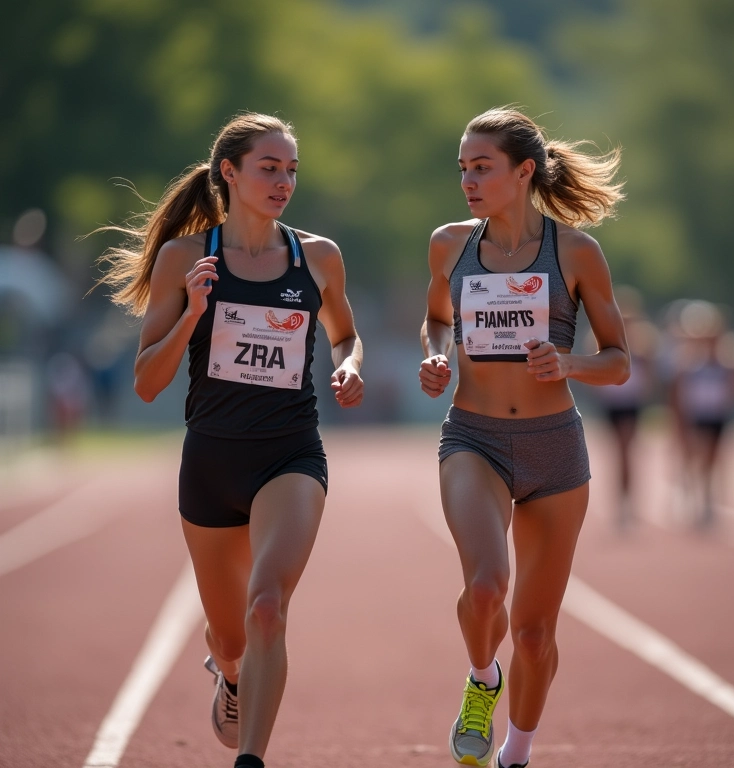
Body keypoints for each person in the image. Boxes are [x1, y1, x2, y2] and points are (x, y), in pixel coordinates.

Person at [95, 112, 364, 768]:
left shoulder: (317, 256)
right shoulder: (185, 259)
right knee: (229, 632)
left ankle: (251, 761)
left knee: (266, 607)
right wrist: (191, 311)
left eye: (292, 170)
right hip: (211, 462)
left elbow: (345, 335)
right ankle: (233, 673)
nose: (283, 182)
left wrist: (350, 364)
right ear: (230, 173)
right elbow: (146, 383)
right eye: (269, 168)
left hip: (291, 453)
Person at [418, 105, 629, 768]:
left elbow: (620, 359)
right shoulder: (450, 245)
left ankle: (517, 753)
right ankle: (483, 680)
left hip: (554, 450)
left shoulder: (575, 251)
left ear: (523, 171)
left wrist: (569, 362)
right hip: (473, 439)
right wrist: (436, 354)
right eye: (463, 168)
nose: (468, 180)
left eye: (482, 167)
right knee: (486, 588)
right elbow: (434, 320)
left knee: (536, 634)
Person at [668, 300, 734, 527]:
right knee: (698, 457)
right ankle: (697, 499)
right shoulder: (689, 362)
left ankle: (707, 500)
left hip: (718, 416)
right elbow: (676, 392)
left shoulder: (728, 362)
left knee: (713, 459)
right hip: (696, 416)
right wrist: (679, 420)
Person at [590, 285, 659, 529]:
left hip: (631, 403)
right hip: (612, 403)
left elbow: (649, 376)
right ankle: (620, 504)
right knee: (617, 454)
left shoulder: (642, 344)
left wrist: (644, 393)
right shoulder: (600, 338)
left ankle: (628, 504)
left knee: (627, 453)